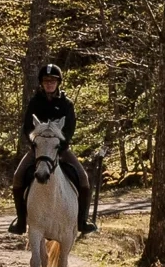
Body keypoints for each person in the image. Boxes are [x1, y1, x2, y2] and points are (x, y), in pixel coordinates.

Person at [8, 63, 98, 235]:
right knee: (18, 176)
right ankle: (21, 221)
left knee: (83, 178)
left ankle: (82, 221)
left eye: (52, 81)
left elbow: (70, 128)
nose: (49, 84)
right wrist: (35, 144)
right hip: (38, 150)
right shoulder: (35, 102)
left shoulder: (66, 104)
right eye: (46, 81)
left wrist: (60, 146)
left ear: (58, 83)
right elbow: (28, 127)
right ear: (41, 83)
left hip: (60, 149)